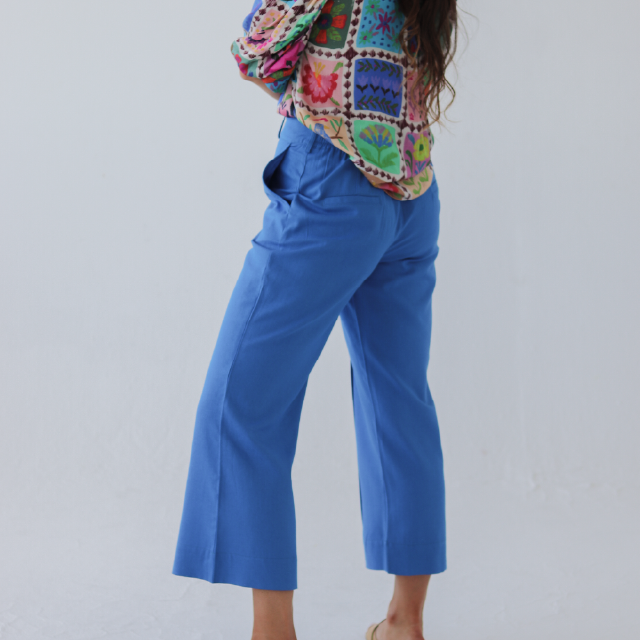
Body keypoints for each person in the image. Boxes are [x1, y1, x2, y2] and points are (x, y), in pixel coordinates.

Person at [172, 1, 459, 638]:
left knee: (241, 401)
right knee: (400, 402)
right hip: (411, 191)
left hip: (331, 179)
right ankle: (404, 624)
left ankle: (273, 632)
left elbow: (258, 51)